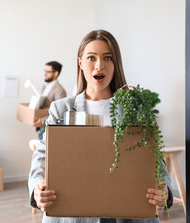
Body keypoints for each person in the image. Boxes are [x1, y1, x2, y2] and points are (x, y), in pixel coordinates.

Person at [28, 30, 173, 223]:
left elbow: (153, 158)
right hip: (73, 214)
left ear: (116, 64)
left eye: (107, 58)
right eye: (91, 58)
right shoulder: (61, 108)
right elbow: (42, 154)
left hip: (127, 212)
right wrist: (38, 186)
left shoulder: (136, 108)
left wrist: (165, 190)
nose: (99, 66)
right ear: (81, 63)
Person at [33, 61, 67, 139]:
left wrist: (42, 121)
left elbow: (59, 112)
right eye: (45, 71)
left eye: (48, 72)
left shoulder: (60, 91)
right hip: (41, 126)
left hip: (48, 127)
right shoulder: (44, 87)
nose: (45, 74)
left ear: (56, 73)